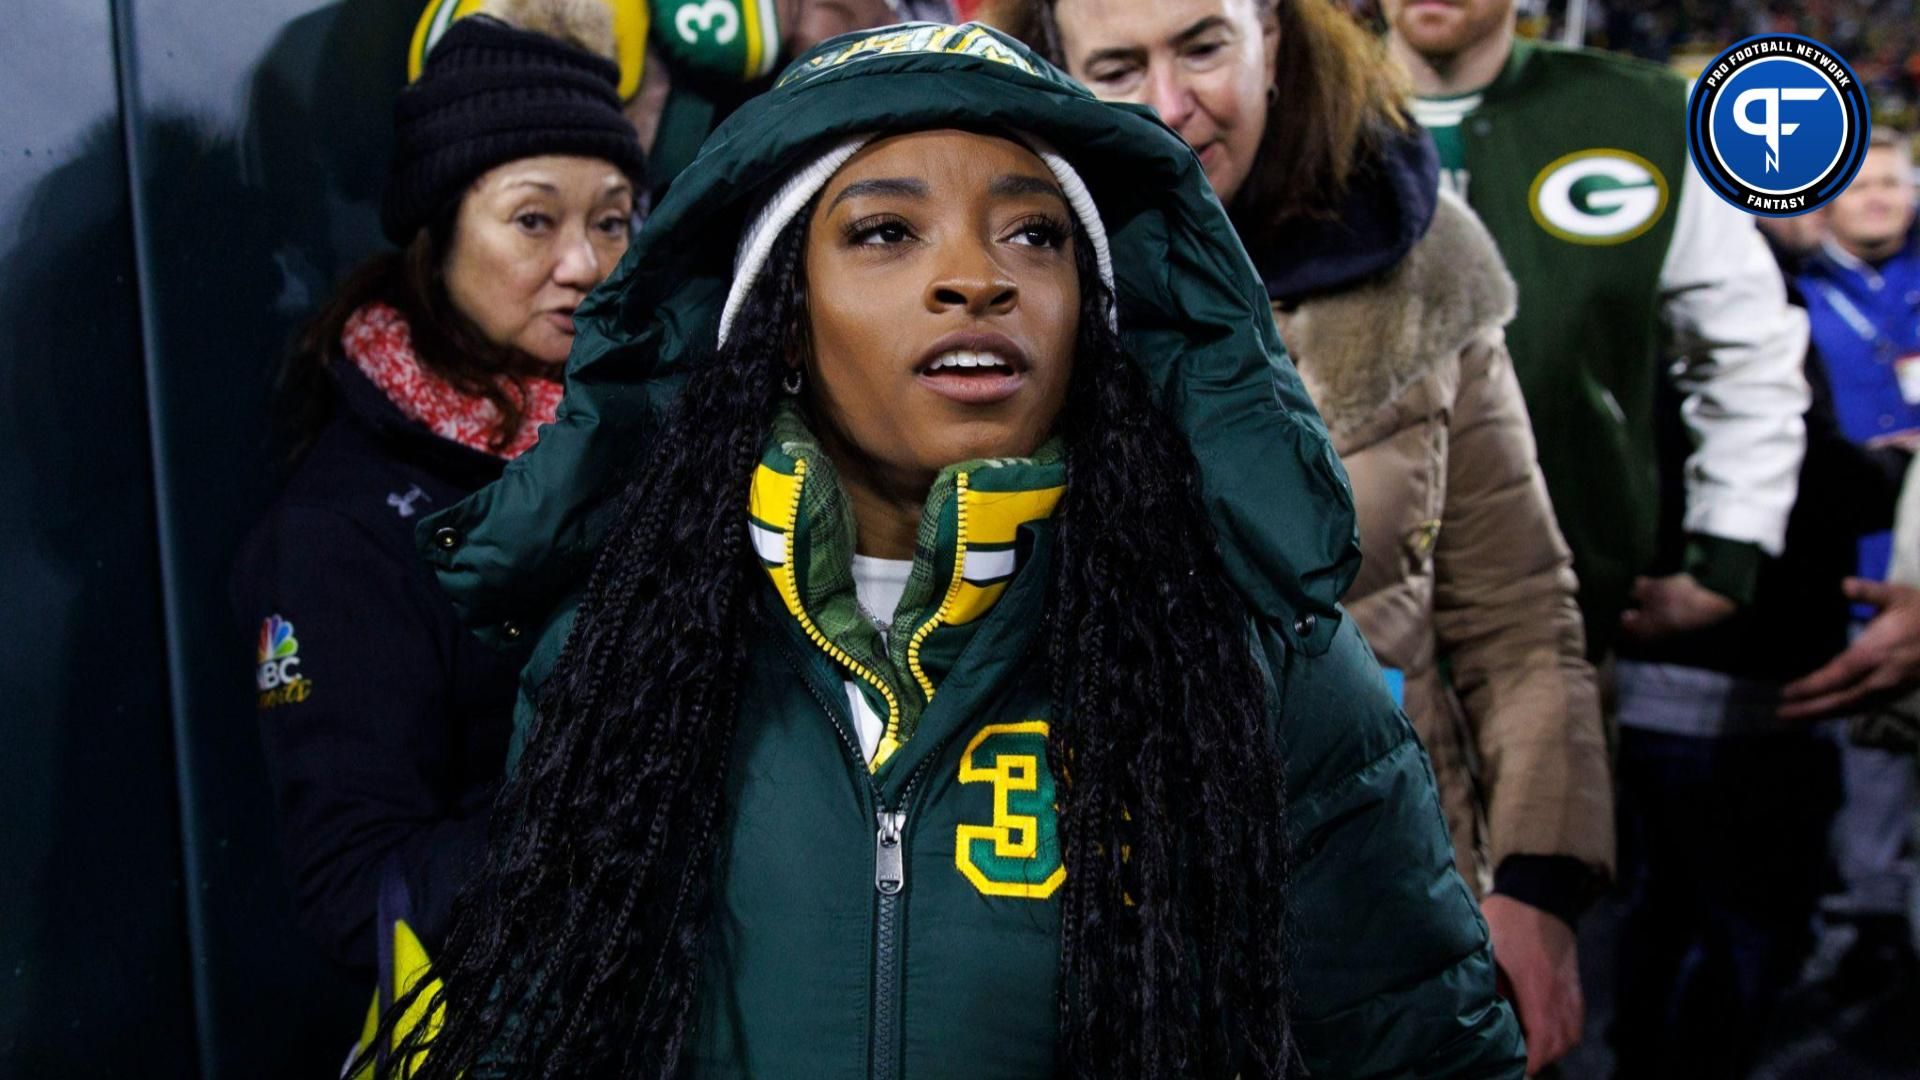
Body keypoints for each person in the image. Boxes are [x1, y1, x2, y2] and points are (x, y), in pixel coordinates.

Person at [375, 22, 1523, 1078]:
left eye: (1035, 233)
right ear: (776, 317)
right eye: (884, 231)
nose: (977, 275)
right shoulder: (621, 654)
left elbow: (1417, 1046)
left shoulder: (1253, 657)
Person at [986, 0, 1608, 1072]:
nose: (1174, 106)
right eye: (1120, 67)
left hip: (1385, 913)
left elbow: (1518, 616)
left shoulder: (1423, 264)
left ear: (1271, 32)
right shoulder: (995, 293)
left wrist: (1540, 888)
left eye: (1204, 46)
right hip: (1079, 932)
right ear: (1054, 73)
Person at [230, 0, 645, 975]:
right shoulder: (345, 525)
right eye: (533, 220)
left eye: (614, 219)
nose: (584, 264)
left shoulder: (658, 433)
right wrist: (627, 819)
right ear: (442, 236)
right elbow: (357, 896)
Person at [1386, 0, 1810, 661]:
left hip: (1564, 618)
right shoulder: (1286, 110)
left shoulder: (1649, 116)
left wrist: (1732, 541)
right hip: (1334, 633)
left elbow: (1746, 347)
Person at [1786, 126, 1920, 992]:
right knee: (1857, 762)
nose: (1879, 196)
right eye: (1861, 182)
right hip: (1845, 567)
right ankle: (1861, 923)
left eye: (1894, 182)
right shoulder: (1785, 297)